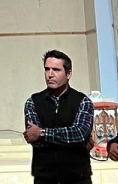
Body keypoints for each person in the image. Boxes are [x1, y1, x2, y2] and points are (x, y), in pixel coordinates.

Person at [22, 49, 95, 184]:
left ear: (68, 74)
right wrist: (72, 141)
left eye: (56, 70)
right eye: (47, 69)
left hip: (77, 178)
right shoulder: (33, 101)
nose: (50, 75)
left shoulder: (82, 101)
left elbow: (79, 134)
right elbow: (34, 139)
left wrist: (42, 133)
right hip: (45, 178)